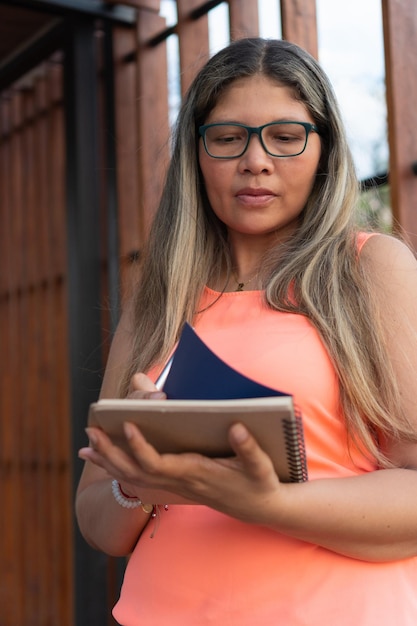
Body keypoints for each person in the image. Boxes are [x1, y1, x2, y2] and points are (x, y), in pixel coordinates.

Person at [76, 37, 417, 625]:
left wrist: (267, 502)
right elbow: (98, 520)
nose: (255, 160)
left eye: (286, 137)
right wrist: (137, 484)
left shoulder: (370, 269)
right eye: (228, 138)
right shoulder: (159, 295)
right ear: (197, 154)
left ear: (325, 152)